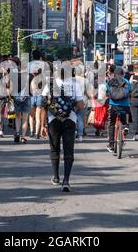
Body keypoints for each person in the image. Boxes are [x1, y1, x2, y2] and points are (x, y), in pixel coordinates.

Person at [44, 62, 84, 192]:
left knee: (54, 149)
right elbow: (80, 104)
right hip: (69, 119)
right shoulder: (75, 84)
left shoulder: (50, 84)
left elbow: (44, 103)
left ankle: (56, 177)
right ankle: (66, 181)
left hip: (53, 119)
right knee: (68, 150)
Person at [106, 67, 131, 153]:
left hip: (113, 105)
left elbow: (106, 91)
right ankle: (125, 126)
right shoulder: (127, 82)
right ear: (123, 74)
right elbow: (129, 91)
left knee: (112, 123)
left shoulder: (110, 81)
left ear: (114, 74)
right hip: (124, 105)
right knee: (124, 120)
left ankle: (111, 145)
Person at [8, 58, 32, 144]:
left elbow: (10, 88)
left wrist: (10, 96)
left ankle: (17, 133)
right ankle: (23, 137)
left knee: (17, 117)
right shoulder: (30, 76)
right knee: (25, 119)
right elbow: (32, 89)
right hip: (26, 97)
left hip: (16, 97)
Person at [29, 50, 46, 139]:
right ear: (40, 57)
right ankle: (37, 133)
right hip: (41, 93)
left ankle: (31, 131)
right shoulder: (44, 65)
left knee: (31, 115)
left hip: (31, 93)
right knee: (38, 115)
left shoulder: (29, 65)